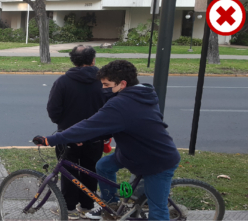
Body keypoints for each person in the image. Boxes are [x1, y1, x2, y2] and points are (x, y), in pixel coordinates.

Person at [33, 60, 180, 221]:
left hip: (156, 160)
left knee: (157, 211)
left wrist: (51, 140)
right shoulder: (142, 94)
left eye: (106, 84)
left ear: (122, 84)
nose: (103, 89)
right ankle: (112, 207)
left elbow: (88, 126)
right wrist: (88, 137)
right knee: (103, 166)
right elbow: (118, 125)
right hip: (132, 153)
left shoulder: (121, 104)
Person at [46, 45, 107, 219]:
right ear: (93, 60)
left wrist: (65, 124)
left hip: (68, 135)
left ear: (73, 60)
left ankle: (69, 208)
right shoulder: (104, 82)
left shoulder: (63, 82)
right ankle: (87, 206)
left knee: (68, 172)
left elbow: (53, 111)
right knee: (91, 170)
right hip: (95, 136)